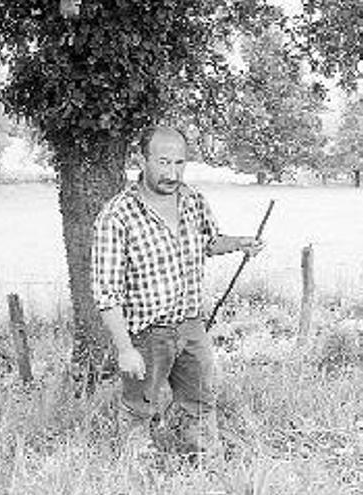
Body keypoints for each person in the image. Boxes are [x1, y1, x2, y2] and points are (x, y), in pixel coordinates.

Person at [90, 126, 264, 457]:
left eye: (179, 163)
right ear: (142, 160)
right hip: (146, 333)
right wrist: (125, 349)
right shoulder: (117, 215)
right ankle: (137, 469)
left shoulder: (193, 200)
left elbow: (209, 242)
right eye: (163, 162)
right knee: (139, 407)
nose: (172, 173)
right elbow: (106, 292)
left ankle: (202, 463)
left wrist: (241, 243)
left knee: (200, 399)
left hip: (191, 325)